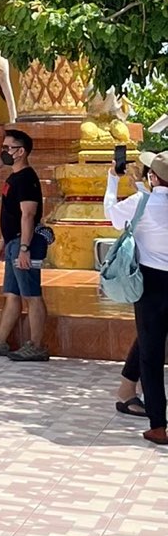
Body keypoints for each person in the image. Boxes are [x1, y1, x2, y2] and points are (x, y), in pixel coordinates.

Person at [102, 151, 168, 448]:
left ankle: (159, 425)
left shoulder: (142, 203)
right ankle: (126, 391)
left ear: (154, 177)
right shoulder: (145, 198)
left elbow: (111, 215)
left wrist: (113, 182)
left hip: (152, 284)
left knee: (151, 357)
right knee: (147, 342)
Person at [0, 127, 49, 359]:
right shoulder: (14, 177)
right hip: (14, 243)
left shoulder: (27, 179)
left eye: (8, 148)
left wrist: (25, 248)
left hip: (25, 244)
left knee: (32, 295)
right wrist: (3, 240)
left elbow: (28, 215)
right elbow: (11, 214)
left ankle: (36, 345)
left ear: (21, 152)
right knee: (12, 295)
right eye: (3, 147)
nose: (4, 151)